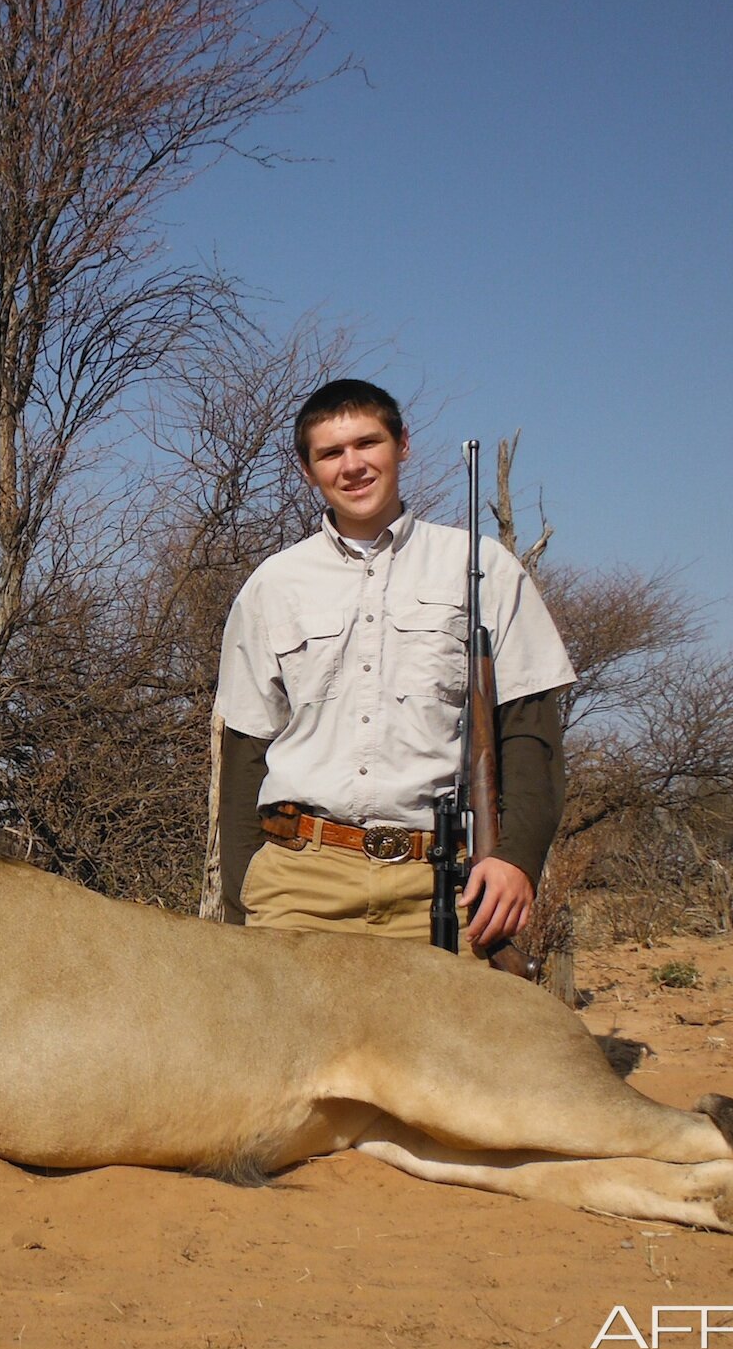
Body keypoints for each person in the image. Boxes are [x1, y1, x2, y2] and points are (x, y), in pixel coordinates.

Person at [213, 379, 576, 951]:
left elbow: (529, 734)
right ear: (308, 469)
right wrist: (242, 901)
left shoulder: (485, 566)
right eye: (331, 453)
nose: (352, 465)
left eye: (368, 443)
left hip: (442, 883)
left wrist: (516, 860)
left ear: (401, 444)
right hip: (298, 883)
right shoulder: (272, 585)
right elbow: (245, 756)